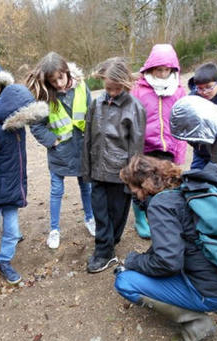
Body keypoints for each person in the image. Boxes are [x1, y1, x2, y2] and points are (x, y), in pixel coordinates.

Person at [115, 154, 217, 341]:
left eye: (131, 187)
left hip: (212, 293)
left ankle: (196, 322)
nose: (130, 192)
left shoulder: (160, 205)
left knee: (125, 282)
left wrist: (133, 262)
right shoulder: (186, 187)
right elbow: (176, 244)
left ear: (143, 186)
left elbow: (168, 263)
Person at [0, 84, 48, 296]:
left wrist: (21, 190)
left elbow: (20, 164)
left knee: (13, 232)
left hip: (10, 194)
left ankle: (4, 261)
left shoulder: (17, 130)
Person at [82, 57, 146, 273]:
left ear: (125, 84)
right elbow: (88, 138)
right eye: (107, 88)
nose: (110, 92)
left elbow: (136, 147)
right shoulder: (96, 103)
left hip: (120, 173)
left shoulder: (134, 107)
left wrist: (133, 180)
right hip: (98, 170)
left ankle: (111, 240)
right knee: (100, 211)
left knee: (118, 212)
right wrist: (87, 169)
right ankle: (104, 251)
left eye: (116, 88)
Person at [26, 52, 95, 249]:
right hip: (59, 154)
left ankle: (90, 219)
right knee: (56, 191)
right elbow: (36, 125)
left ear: (66, 72)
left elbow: (92, 114)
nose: (57, 83)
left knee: (86, 188)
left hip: (82, 149)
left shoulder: (82, 87)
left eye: (60, 78)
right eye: (52, 80)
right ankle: (54, 229)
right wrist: (52, 141)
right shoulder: (46, 97)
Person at [130, 43, 187, 239]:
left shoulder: (179, 90)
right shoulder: (139, 90)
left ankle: (163, 217)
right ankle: (140, 218)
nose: (163, 73)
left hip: (168, 146)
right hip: (145, 146)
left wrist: (179, 150)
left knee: (167, 183)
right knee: (143, 183)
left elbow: (183, 122)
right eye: (159, 69)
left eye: (166, 69)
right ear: (151, 68)